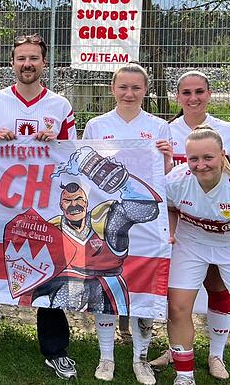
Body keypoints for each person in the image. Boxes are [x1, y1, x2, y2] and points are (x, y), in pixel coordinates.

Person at [0, 33, 77, 378]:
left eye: (33, 58)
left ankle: (56, 350)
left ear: (44, 63)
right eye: (21, 58)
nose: (27, 64)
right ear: (12, 63)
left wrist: (57, 144)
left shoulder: (60, 105)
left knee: (50, 276)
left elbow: (72, 160)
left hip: (45, 207)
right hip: (1, 205)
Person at [150, 71, 230, 380]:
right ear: (177, 97)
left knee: (218, 289)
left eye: (199, 91)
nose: (193, 98)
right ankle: (178, 355)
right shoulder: (166, 130)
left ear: (209, 94)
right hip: (187, 229)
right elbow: (163, 184)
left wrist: (216, 198)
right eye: (186, 92)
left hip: (223, 227)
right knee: (178, 302)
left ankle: (216, 354)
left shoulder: (227, 131)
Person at [81, 63, 173, 384]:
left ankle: (141, 359)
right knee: (105, 286)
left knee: (144, 290)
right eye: (123, 87)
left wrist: (166, 158)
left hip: (147, 224)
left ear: (145, 90)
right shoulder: (96, 125)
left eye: (136, 87)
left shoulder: (159, 127)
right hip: (107, 221)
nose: (129, 94)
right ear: (113, 88)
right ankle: (106, 357)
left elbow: (165, 175)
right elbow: (85, 172)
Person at [165, 125, 230, 385]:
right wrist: (171, 232)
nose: (201, 165)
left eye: (208, 157)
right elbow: (170, 207)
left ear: (223, 155)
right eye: (194, 159)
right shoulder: (175, 179)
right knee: (177, 307)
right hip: (191, 241)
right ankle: (184, 376)